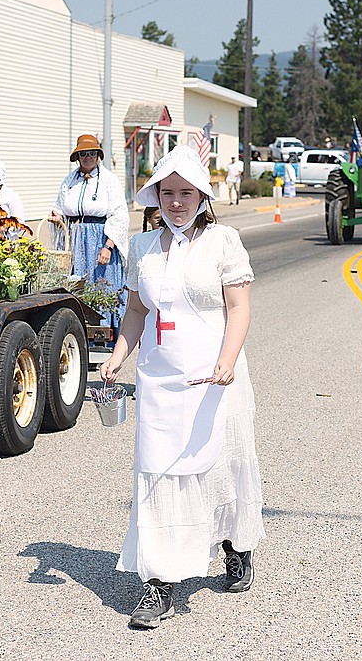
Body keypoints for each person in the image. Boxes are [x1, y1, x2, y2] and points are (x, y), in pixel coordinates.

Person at [100, 146, 264, 630]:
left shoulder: (223, 241)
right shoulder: (143, 247)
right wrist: (115, 357)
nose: (175, 202)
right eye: (167, 192)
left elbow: (239, 308)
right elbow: (136, 311)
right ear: (155, 196)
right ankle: (159, 584)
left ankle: (235, 545)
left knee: (224, 466)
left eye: (185, 193)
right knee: (159, 474)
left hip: (217, 378)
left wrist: (228, 361)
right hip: (160, 380)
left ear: (201, 196)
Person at [50, 134, 129, 334]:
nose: (88, 157)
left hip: (99, 238)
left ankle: (105, 334)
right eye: (83, 154)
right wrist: (57, 218)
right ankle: (78, 332)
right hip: (74, 238)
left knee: (102, 286)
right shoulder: (69, 181)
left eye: (92, 153)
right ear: (77, 156)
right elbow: (59, 208)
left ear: (98, 155)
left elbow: (119, 215)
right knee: (75, 285)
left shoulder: (109, 180)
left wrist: (108, 246)